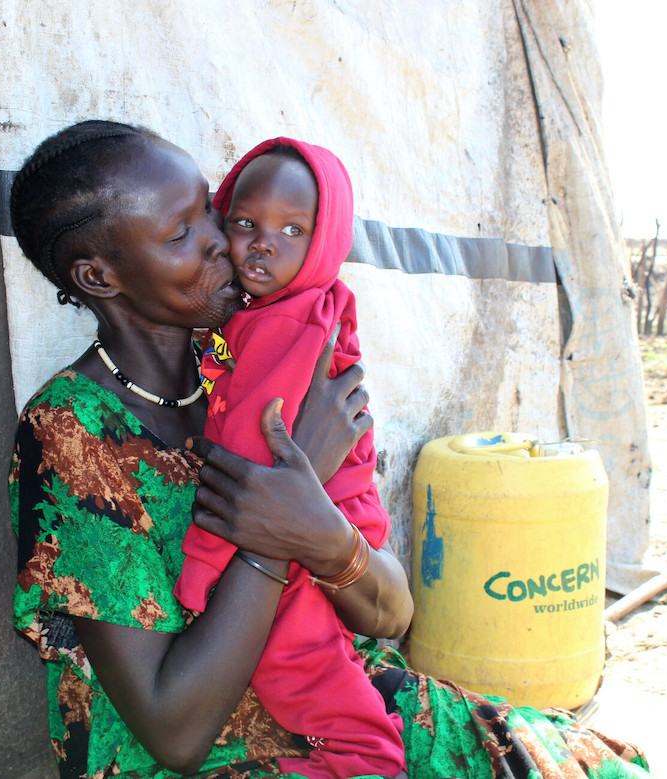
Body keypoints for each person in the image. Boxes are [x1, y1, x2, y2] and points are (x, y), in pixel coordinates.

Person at [9, 119, 651, 779]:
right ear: (99, 276)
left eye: (211, 210)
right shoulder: (74, 432)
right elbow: (177, 731)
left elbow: (392, 612)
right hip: (209, 762)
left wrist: (321, 528)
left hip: (337, 701)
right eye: (180, 235)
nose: (221, 243)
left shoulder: (266, 362)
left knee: (595, 766)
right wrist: (279, 516)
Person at [175, 138, 402, 778]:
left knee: (303, 670)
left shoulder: (286, 321)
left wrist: (200, 569)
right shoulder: (282, 308)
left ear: (323, 241)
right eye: (245, 222)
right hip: (324, 523)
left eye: (292, 229)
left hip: (307, 528)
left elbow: (258, 448)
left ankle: (369, 761)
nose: (262, 242)